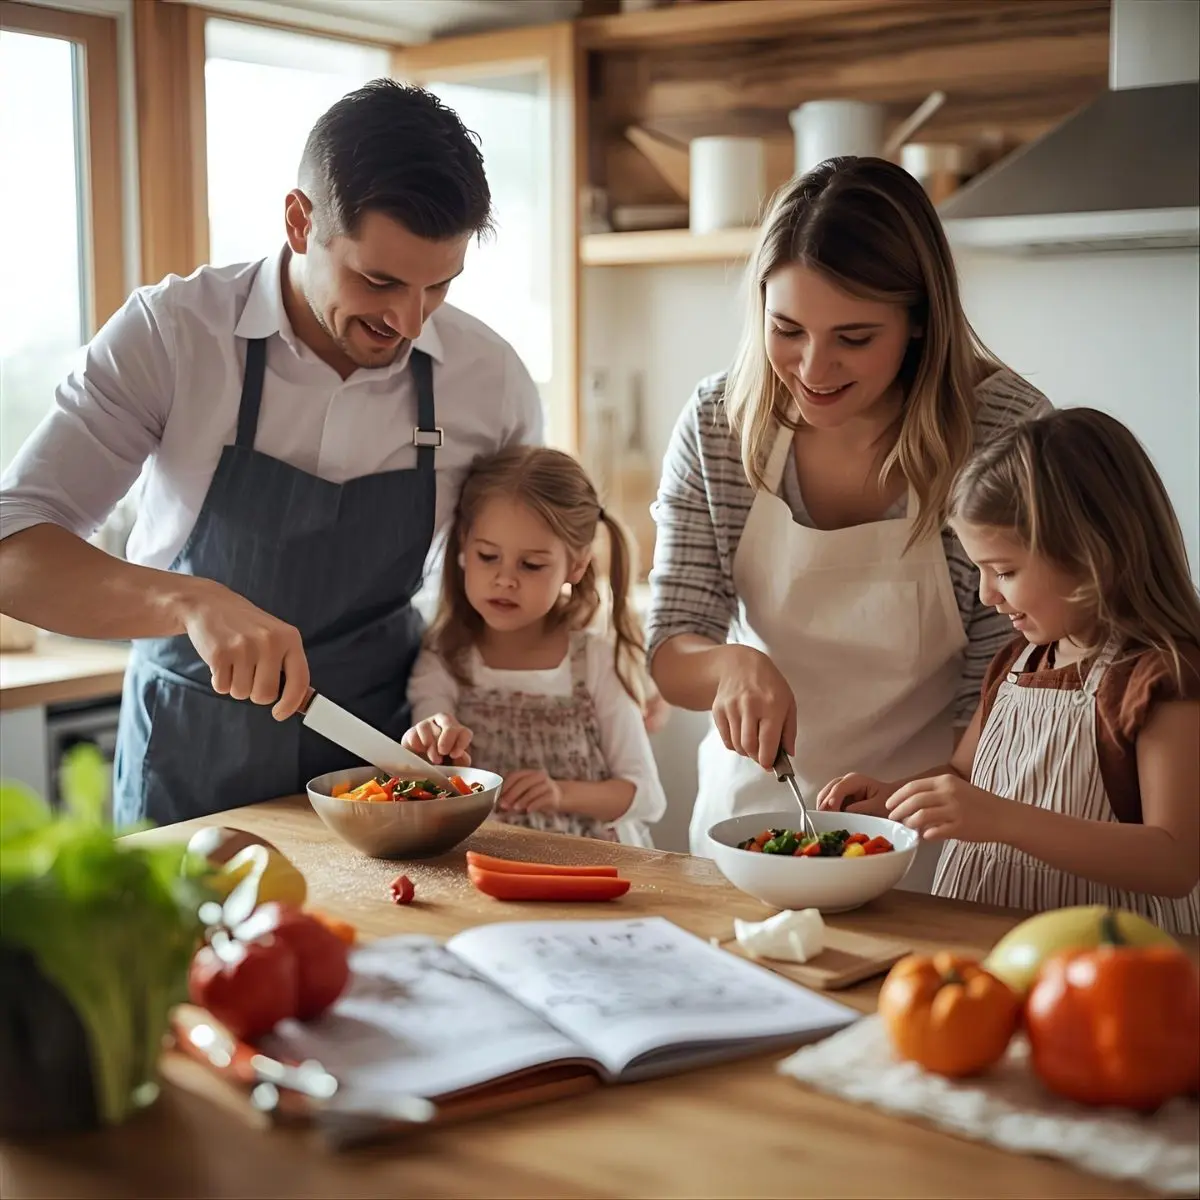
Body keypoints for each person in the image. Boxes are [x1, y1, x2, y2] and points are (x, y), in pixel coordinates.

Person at [0, 81, 543, 826]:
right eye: (378, 280)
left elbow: (513, 591)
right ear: (299, 221)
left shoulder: (492, 380)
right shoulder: (172, 334)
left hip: (379, 770)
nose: (409, 320)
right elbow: (13, 551)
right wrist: (188, 601)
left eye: (438, 287)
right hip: (189, 762)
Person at [647, 156, 1054, 879]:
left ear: (920, 322)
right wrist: (732, 665)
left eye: (854, 338)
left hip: (932, 828)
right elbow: (672, 647)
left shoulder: (1002, 431)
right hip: (751, 833)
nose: (813, 367)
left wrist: (915, 801)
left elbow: (1009, 680)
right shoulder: (719, 423)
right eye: (788, 329)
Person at [819, 408, 1200, 934]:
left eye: (1005, 571)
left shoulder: (1161, 679)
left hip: (1110, 959)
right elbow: (962, 777)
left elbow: (1175, 861)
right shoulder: (1017, 663)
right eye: (979, 569)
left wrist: (1002, 820)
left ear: (1093, 555)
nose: (985, 594)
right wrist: (894, 795)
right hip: (989, 943)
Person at [402, 446, 667, 847]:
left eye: (531, 565)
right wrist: (432, 744)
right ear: (461, 548)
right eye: (488, 556)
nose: (505, 579)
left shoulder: (594, 660)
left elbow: (646, 796)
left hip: (595, 868)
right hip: (484, 864)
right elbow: (432, 760)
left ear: (575, 566)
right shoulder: (445, 657)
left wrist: (561, 794)